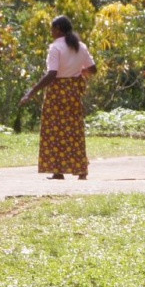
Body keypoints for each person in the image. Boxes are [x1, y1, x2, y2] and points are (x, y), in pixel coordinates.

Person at [21, 14, 97, 180]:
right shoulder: (80, 46)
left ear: (58, 29)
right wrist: (80, 71)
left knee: (54, 131)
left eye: (52, 29)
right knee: (74, 130)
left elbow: (52, 74)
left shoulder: (55, 48)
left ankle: (57, 170)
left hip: (57, 93)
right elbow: (93, 69)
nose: (51, 32)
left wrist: (32, 92)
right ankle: (81, 170)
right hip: (73, 92)